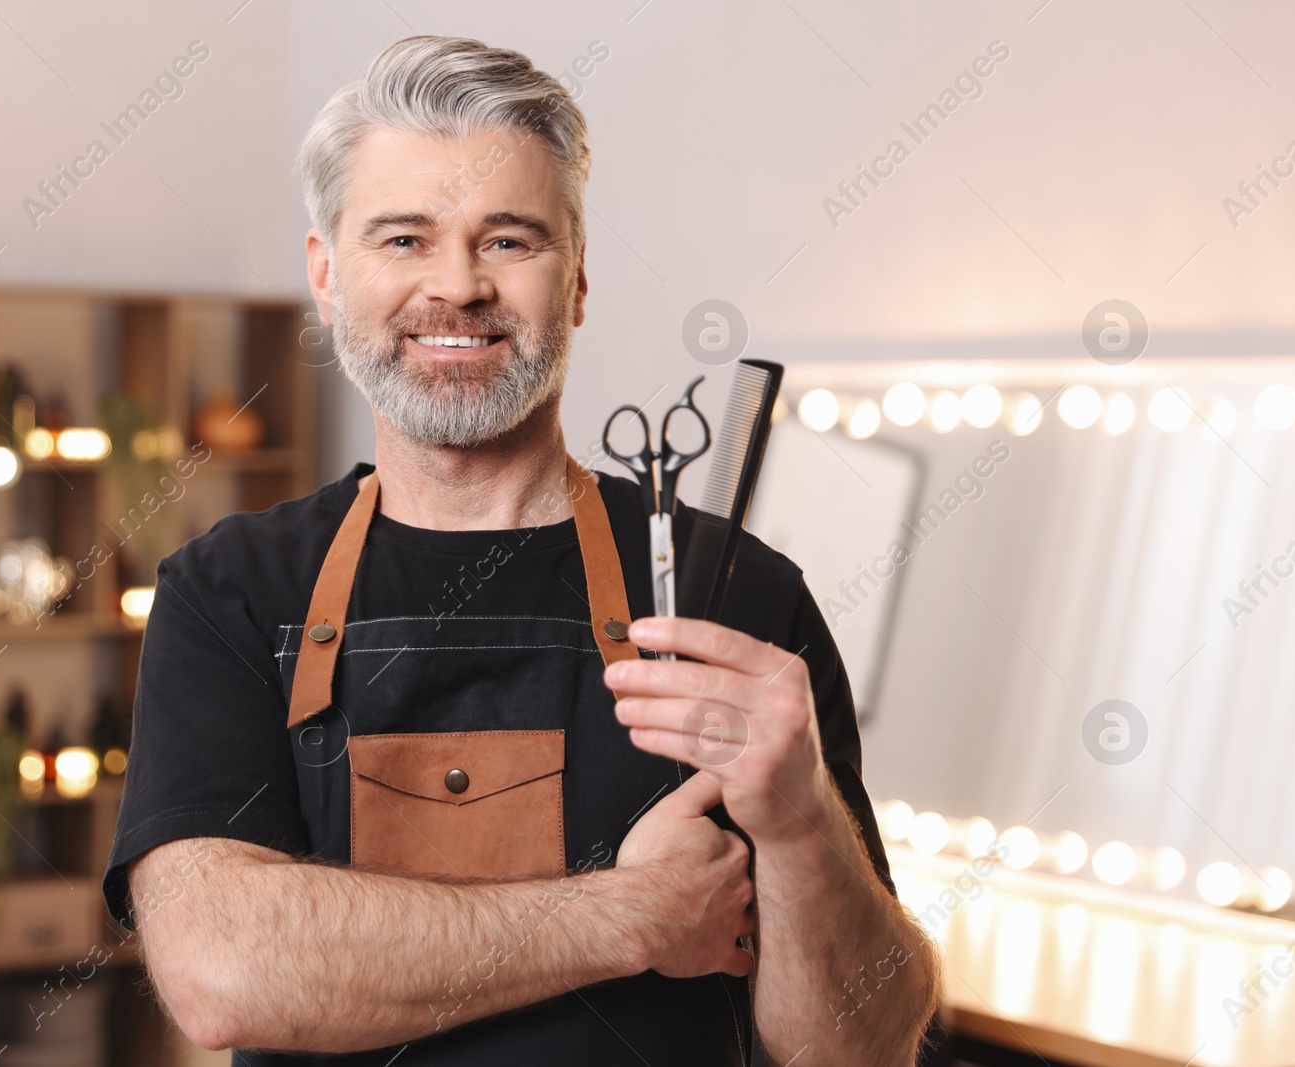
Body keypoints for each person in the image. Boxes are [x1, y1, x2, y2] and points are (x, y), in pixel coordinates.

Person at [102, 34, 939, 1066]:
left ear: (577, 278)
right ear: (326, 276)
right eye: (403, 240)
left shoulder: (739, 594)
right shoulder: (230, 591)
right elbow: (222, 969)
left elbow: (862, 1051)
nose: (456, 286)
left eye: (508, 241)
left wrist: (804, 822)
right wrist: (626, 915)